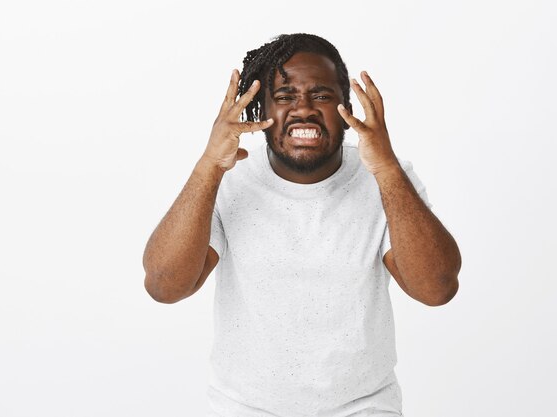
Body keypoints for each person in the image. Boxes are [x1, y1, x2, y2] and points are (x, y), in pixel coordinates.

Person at [143, 33, 461, 417]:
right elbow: (164, 285)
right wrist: (209, 164)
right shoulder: (228, 179)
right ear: (260, 109)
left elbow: (436, 289)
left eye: (322, 95)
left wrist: (388, 168)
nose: (304, 109)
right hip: (245, 408)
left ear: (346, 106)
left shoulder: (386, 179)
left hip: (363, 407)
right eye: (285, 96)